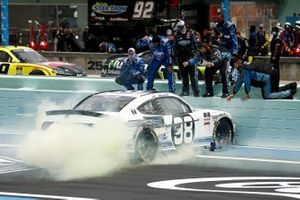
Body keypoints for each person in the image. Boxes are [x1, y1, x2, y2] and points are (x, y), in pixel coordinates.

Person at [227, 56, 297, 100]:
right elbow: (241, 80)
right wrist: (234, 93)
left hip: (268, 76)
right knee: (274, 90)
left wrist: (247, 93)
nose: (235, 67)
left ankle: (289, 93)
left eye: (234, 65)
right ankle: (290, 86)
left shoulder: (244, 69)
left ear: (237, 62)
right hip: (273, 71)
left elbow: (246, 81)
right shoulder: (246, 64)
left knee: (267, 96)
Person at [173, 20, 198, 96]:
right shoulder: (176, 34)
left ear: (185, 26)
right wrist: (175, 55)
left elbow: (195, 44)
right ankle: (185, 91)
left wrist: (195, 53)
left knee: (193, 76)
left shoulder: (190, 33)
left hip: (190, 56)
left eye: (182, 27)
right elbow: (174, 46)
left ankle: (196, 92)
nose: (181, 28)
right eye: (179, 27)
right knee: (184, 75)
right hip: (181, 57)